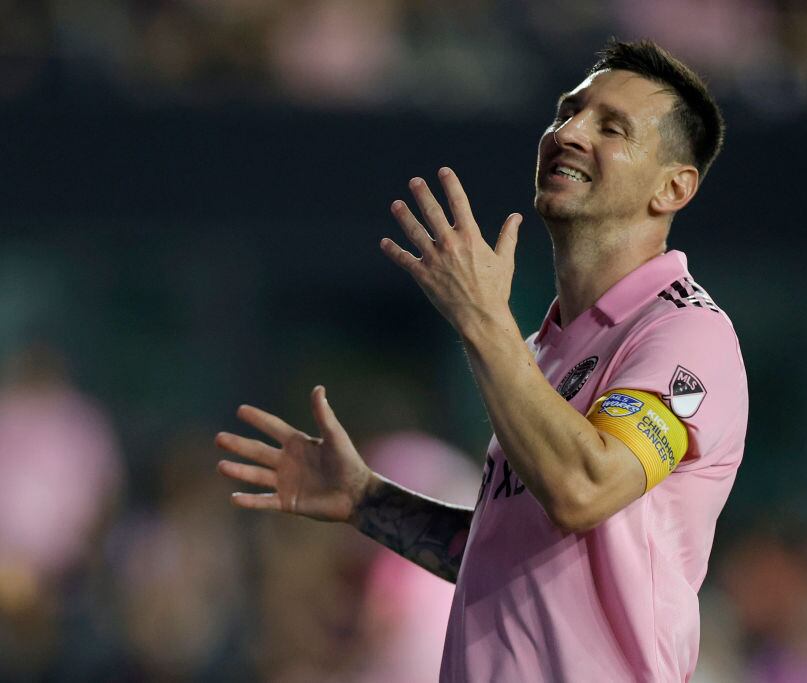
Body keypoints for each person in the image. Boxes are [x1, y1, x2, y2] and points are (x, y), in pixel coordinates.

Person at [216, 39, 747, 682]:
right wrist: (367, 500)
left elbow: (584, 489)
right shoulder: (541, 352)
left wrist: (480, 317)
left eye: (612, 127)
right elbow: (509, 548)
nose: (570, 132)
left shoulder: (686, 334)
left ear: (672, 187)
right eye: (567, 112)